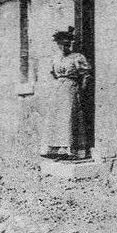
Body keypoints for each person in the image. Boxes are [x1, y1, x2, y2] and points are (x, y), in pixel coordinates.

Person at [45, 28, 92, 161]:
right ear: (58, 45)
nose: (64, 47)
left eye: (67, 44)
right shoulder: (56, 58)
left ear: (70, 44)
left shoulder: (77, 57)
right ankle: (58, 149)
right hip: (58, 90)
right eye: (62, 44)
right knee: (57, 118)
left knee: (69, 117)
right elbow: (53, 74)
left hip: (71, 89)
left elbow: (86, 75)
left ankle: (72, 149)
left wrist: (81, 88)